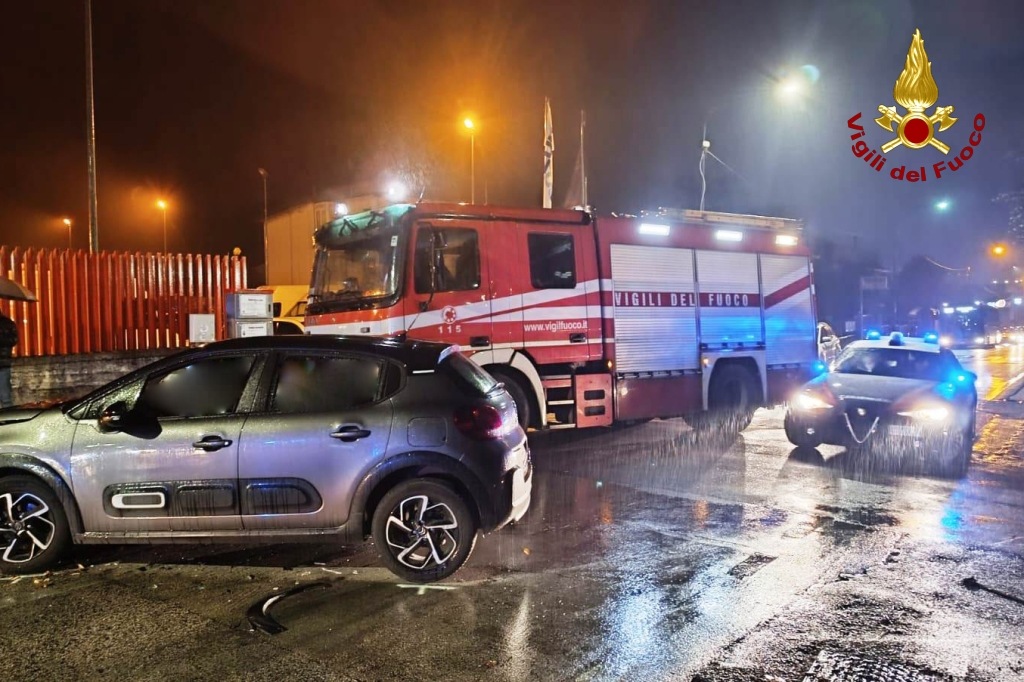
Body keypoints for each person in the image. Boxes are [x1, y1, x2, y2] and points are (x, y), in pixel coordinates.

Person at [0, 310, 17, 408]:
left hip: (3, 364)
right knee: (6, 396)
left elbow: (13, 340)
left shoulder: (7, 323)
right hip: (4, 363)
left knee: (5, 397)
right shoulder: (8, 323)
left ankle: (9, 419)